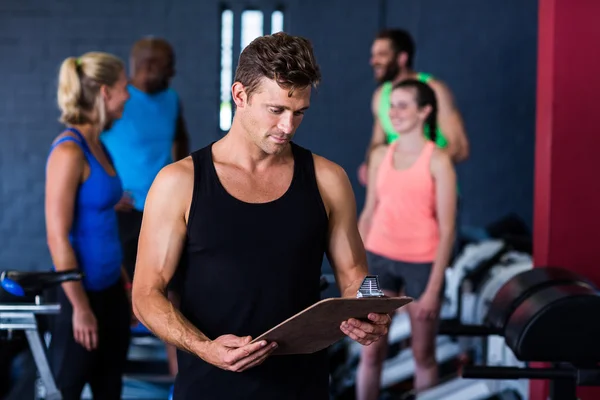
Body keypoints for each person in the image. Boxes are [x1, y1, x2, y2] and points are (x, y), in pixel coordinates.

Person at [131, 32, 393, 400]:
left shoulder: (328, 179)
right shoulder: (179, 182)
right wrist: (204, 348)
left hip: (303, 388)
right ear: (240, 95)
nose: (288, 126)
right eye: (276, 110)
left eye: (299, 112)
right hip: (209, 387)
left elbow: (355, 277)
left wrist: (368, 309)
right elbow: (146, 294)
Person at [355, 79, 457, 399]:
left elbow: (448, 229)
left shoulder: (439, 160)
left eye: (403, 105)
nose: (393, 112)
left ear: (424, 111)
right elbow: (369, 213)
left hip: (421, 264)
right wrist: (357, 274)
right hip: (378, 259)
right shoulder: (379, 156)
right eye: (391, 105)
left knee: (422, 355)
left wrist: (433, 290)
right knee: (370, 352)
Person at [45, 52, 133, 399]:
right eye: (124, 87)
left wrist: (124, 282)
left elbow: (99, 208)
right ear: (104, 92)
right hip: (79, 297)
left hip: (111, 288)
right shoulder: (69, 152)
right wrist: (80, 309)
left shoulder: (100, 147)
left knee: (110, 388)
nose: (128, 95)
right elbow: (57, 236)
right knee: (68, 389)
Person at [100, 36, 189, 376]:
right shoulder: (117, 101)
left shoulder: (171, 99)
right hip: (125, 213)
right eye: (169, 65)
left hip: (165, 211)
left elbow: (181, 138)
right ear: (148, 66)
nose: (174, 71)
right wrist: (108, 188)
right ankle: (110, 379)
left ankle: (179, 381)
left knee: (174, 298)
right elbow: (87, 145)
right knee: (128, 299)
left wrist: (183, 176)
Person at [358, 28, 468, 185]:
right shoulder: (379, 95)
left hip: (434, 191)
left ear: (402, 58)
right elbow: (377, 142)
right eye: (373, 55)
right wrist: (370, 165)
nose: (373, 61)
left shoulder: (434, 89)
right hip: (395, 191)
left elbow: (460, 147)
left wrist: (415, 170)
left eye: (382, 55)